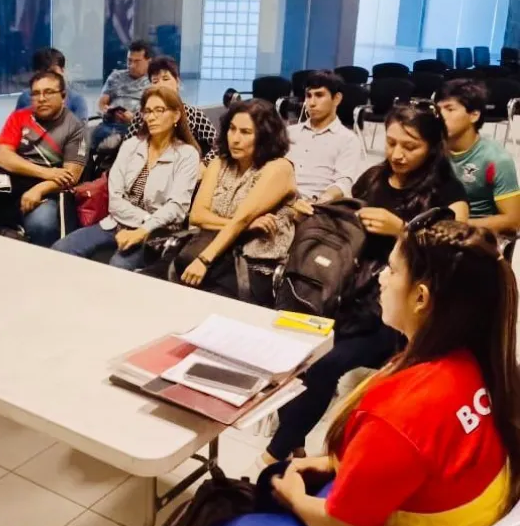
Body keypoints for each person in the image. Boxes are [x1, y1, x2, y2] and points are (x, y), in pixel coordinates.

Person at [216, 216, 520, 526]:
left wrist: (295, 498)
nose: (381, 279)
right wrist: (336, 463)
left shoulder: (400, 412)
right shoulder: (478, 364)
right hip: (454, 520)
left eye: (391, 269)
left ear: (421, 298)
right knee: (273, 477)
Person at [262, 102, 469, 467]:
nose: (397, 154)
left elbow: (456, 263)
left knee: (326, 363)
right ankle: (293, 445)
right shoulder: (372, 179)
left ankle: (271, 457)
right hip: (348, 293)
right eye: (390, 143)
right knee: (299, 352)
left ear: (433, 146)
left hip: (398, 313)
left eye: (410, 146)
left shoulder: (447, 193)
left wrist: (403, 231)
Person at [51, 86, 201, 270]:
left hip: (157, 233)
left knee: (119, 265)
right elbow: (115, 198)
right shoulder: (131, 145)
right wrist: (144, 219)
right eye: (147, 111)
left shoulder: (187, 155)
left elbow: (177, 206)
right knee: (61, 249)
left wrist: (143, 230)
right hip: (116, 223)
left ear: (176, 115)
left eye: (159, 110)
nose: (151, 117)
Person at [175, 99, 296, 306]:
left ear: (265, 136)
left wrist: (204, 260)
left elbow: (241, 218)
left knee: (201, 303)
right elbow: (198, 215)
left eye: (246, 132)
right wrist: (248, 226)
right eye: (232, 129)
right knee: (161, 281)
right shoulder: (219, 163)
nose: (235, 139)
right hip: (217, 253)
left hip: (254, 265)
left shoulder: (279, 168)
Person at [0, 71, 87, 247]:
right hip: (8, 182)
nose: (41, 98)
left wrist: (39, 189)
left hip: (45, 190)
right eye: (36, 93)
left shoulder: (75, 128)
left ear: (63, 96)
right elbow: (3, 157)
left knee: (42, 223)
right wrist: (46, 172)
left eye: (48, 92)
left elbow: (71, 175)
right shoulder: (20, 117)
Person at [438, 79, 520, 234]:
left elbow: (514, 220)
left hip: (476, 240)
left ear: (474, 115)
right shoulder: (431, 150)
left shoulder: (496, 159)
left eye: (449, 109)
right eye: (439, 110)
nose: (441, 116)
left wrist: (457, 225)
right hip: (434, 233)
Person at [0, 47, 88, 154]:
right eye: (43, 74)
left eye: (54, 73)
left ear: (63, 71)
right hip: (29, 155)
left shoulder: (76, 101)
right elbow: (17, 132)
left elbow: (79, 139)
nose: (49, 79)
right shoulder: (26, 98)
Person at [119, 55, 218, 163]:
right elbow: (126, 151)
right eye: (155, 81)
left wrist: (204, 165)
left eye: (165, 79)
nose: (161, 85)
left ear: (177, 82)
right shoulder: (142, 116)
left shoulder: (194, 114)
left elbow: (219, 146)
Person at [287, 70, 362, 209]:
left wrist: (322, 200)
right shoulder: (289, 133)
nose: (312, 103)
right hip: (283, 200)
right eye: (308, 96)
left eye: (319, 95)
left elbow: (343, 182)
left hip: (317, 205)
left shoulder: (348, 140)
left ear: (337, 99)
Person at [89, 39, 153, 154]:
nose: (132, 65)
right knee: (83, 142)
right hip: (110, 123)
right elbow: (102, 103)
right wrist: (107, 111)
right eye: (129, 61)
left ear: (149, 61)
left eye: (137, 61)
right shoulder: (116, 76)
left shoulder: (152, 82)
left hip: (135, 127)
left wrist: (134, 119)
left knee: (121, 139)